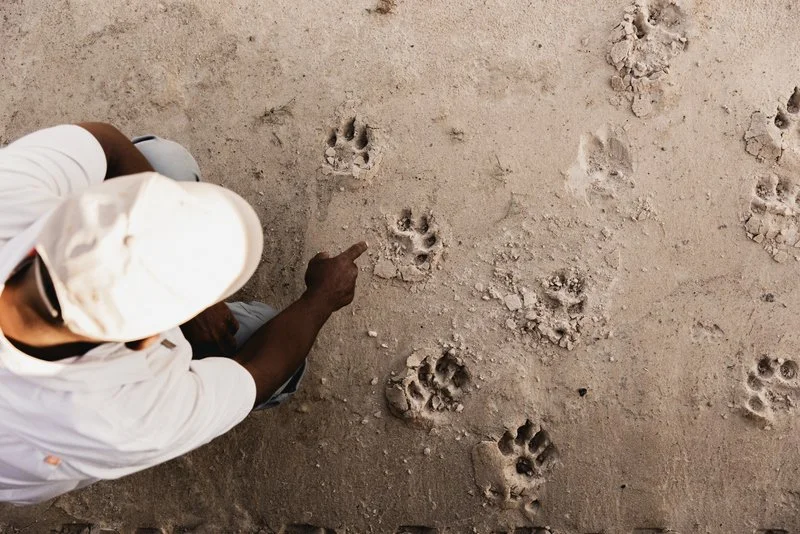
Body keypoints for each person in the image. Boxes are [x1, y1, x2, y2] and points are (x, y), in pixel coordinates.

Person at [0, 123, 367, 505]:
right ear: (148, 340)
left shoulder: (9, 198)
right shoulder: (125, 419)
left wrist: (194, 298)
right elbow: (257, 373)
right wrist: (322, 298)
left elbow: (105, 142)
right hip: (33, 455)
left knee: (165, 161)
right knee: (278, 352)